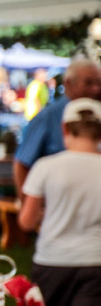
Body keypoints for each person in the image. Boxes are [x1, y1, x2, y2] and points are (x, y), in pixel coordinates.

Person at [18, 98, 101, 306]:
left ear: (64, 128)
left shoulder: (46, 166)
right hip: (96, 261)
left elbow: (26, 221)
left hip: (52, 260)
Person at [14, 59, 101, 200]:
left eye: (98, 83)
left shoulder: (98, 113)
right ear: (68, 84)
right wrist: (29, 206)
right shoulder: (48, 117)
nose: (96, 89)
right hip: (57, 206)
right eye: (88, 83)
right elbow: (22, 164)